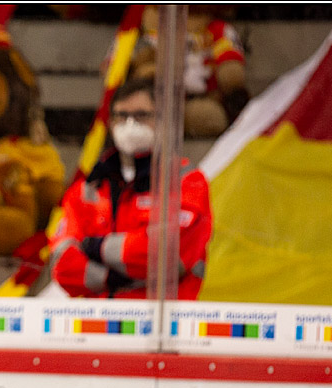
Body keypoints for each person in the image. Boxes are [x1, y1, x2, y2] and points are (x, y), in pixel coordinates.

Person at [48, 78, 212, 299]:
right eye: (121, 116)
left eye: (141, 115)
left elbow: (165, 256)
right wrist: (115, 277)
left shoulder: (185, 181)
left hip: (163, 325)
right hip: (99, 326)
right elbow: (63, 266)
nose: (130, 124)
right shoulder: (88, 188)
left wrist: (95, 248)